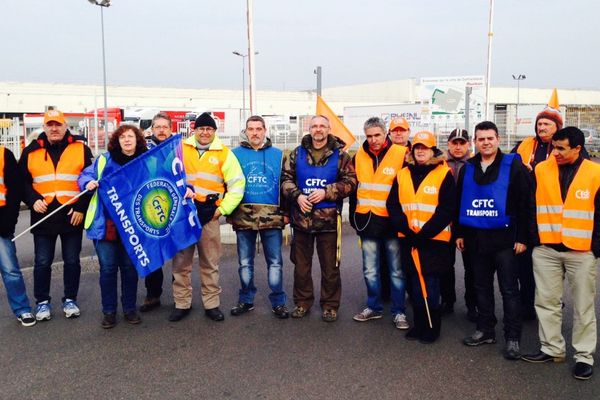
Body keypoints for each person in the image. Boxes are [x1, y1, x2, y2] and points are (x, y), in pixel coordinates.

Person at [522, 127, 599, 381]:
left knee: (583, 307)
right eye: (554, 147)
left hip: (581, 252)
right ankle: (552, 348)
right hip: (547, 250)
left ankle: (584, 356)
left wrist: (595, 247)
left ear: (577, 148)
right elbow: (530, 205)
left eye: (561, 148)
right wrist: (536, 241)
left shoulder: (596, 173)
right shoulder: (542, 169)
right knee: (546, 302)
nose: (555, 152)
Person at [456, 121, 531, 360]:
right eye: (481, 139)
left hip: (506, 241)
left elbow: (526, 203)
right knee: (481, 288)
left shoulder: (514, 165)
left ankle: (512, 337)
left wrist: (523, 237)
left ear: (498, 139)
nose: (486, 142)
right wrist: (459, 233)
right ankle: (486, 329)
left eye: (490, 138)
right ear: (475, 142)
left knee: (509, 290)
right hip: (476, 240)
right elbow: (460, 202)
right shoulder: (468, 168)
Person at [18, 109, 93, 321]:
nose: (54, 128)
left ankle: (70, 299)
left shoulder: (81, 149)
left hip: (72, 214)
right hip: (43, 215)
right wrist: (32, 200)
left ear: (65, 126)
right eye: (49, 125)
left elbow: (91, 181)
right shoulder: (31, 151)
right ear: (44, 128)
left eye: (57, 124)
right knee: (42, 262)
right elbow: (22, 182)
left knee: (72, 261)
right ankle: (42, 302)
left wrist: (81, 208)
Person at [170, 112, 245, 322]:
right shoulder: (180, 149)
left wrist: (222, 211)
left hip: (209, 215)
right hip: (183, 215)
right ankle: (181, 303)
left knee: (210, 263)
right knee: (181, 264)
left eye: (209, 129)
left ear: (214, 131)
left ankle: (211, 304)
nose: (205, 133)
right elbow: (165, 175)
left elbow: (237, 185)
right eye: (201, 129)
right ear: (195, 130)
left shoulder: (224, 153)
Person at [281, 115, 357, 322]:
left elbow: (351, 182)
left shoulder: (341, 155)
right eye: (314, 126)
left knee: (330, 268)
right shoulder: (297, 153)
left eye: (322, 126)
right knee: (301, 267)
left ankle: (330, 305)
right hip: (301, 220)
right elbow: (285, 179)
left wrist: (327, 192)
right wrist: (297, 196)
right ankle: (302, 302)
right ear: (309, 129)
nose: (318, 129)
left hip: (329, 222)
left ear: (329, 129)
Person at [388, 131, 456, 343]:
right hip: (409, 238)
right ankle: (419, 324)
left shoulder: (444, 173)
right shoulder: (402, 174)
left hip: (433, 240)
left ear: (433, 150)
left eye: (425, 148)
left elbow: (447, 209)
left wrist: (425, 233)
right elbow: (393, 205)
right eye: (417, 147)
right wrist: (407, 230)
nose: (420, 151)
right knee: (414, 282)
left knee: (430, 283)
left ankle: (432, 327)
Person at [78, 125, 147, 328]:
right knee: (108, 270)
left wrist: (187, 188)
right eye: (123, 137)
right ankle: (109, 311)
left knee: (129, 268)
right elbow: (84, 175)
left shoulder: (146, 161)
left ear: (137, 140)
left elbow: (165, 179)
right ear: (117, 141)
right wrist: (88, 183)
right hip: (107, 225)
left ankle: (129, 308)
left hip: (133, 226)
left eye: (130, 136)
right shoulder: (104, 160)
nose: (127, 140)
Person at [511, 89, 566, 321]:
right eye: (539, 123)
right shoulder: (524, 144)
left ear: (557, 127)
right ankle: (527, 304)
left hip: (552, 217)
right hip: (526, 212)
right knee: (524, 263)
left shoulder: (564, 148)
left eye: (547, 124)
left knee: (550, 267)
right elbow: (510, 166)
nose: (542, 128)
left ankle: (550, 302)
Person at [349, 117, 408, 329]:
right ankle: (373, 306)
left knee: (396, 271)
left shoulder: (402, 154)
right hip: (367, 222)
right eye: (369, 136)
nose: (374, 140)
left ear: (386, 134)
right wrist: (354, 218)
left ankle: (399, 311)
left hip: (392, 224)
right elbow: (355, 188)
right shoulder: (358, 156)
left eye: (377, 135)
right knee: (370, 270)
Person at [228, 116, 289, 319]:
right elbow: (226, 184)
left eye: (258, 129)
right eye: (251, 129)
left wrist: (286, 213)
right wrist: (228, 212)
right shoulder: (234, 155)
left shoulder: (279, 155)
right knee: (245, 262)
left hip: (272, 218)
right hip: (243, 218)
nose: (254, 132)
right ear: (246, 131)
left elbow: (286, 185)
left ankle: (278, 302)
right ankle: (246, 300)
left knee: (275, 262)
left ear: (265, 130)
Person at [139, 112, 173, 313]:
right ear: (152, 129)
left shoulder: (179, 148)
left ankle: (180, 296)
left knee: (179, 253)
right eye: (157, 127)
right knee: (153, 253)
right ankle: (153, 295)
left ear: (170, 128)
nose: (161, 130)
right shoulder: (143, 149)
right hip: (151, 206)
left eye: (165, 127)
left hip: (175, 206)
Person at [443, 128, 477, 321]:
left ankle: (472, 304)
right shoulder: (439, 164)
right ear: (448, 144)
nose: (458, 146)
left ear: (468, 144)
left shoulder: (474, 165)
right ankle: (448, 300)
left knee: (471, 266)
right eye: (454, 143)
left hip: (467, 222)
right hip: (445, 221)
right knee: (446, 265)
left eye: (462, 143)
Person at [0, 145, 36, 327]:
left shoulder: (3, 154)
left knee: (10, 271)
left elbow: (15, 190)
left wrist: (8, 223)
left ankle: (22, 309)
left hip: (0, 227)